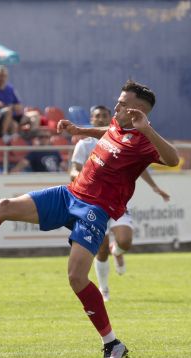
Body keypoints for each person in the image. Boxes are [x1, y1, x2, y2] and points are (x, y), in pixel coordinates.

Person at [0, 80, 180, 358]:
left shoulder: (144, 140)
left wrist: (147, 128)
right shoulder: (117, 126)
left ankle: (112, 344)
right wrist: (80, 130)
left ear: (137, 111)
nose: (115, 105)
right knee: (5, 206)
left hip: (94, 210)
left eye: (121, 103)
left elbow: (173, 159)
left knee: (76, 278)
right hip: (69, 195)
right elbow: (108, 133)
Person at [70, 105, 170, 301]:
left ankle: (117, 251)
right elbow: (73, 170)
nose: (100, 119)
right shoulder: (84, 144)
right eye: (97, 116)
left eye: (104, 116)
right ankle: (104, 290)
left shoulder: (122, 140)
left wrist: (154, 187)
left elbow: (139, 168)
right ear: (91, 118)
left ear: (110, 118)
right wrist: (84, 176)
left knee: (125, 241)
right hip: (92, 202)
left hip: (116, 201)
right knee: (101, 247)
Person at [0, 65, 24, 141]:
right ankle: (3, 135)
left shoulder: (10, 89)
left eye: (4, 76)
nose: (2, 78)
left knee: (15, 124)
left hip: (11, 117)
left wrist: (12, 106)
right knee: (8, 111)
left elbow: (19, 105)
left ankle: (29, 142)